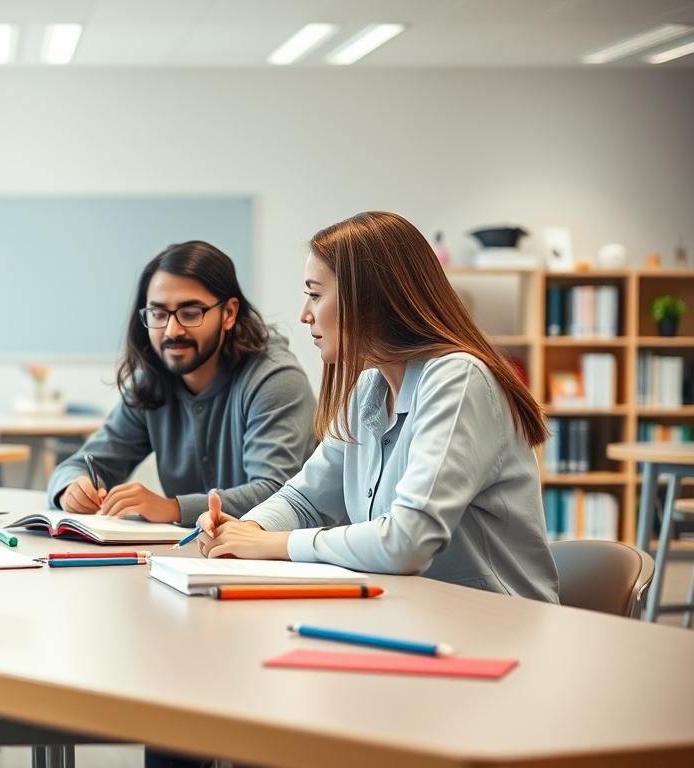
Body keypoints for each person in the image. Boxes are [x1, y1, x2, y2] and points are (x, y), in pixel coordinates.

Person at [197, 211, 559, 603]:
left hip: (497, 625)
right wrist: (245, 530)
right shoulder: (370, 388)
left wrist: (275, 544)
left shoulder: (458, 379)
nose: (305, 314)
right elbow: (304, 500)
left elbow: (407, 541)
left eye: (315, 295)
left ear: (368, 300)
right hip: (415, 616)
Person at [46, 240, 316, 528]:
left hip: (282, 551)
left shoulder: (275, 378)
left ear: (229, 313)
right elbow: (82, 464)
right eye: (158, 314)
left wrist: (173, 508)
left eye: (190, 313)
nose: (172, 331)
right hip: (193, 551)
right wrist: (72, 489)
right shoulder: (152, 381)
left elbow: (276, 494)